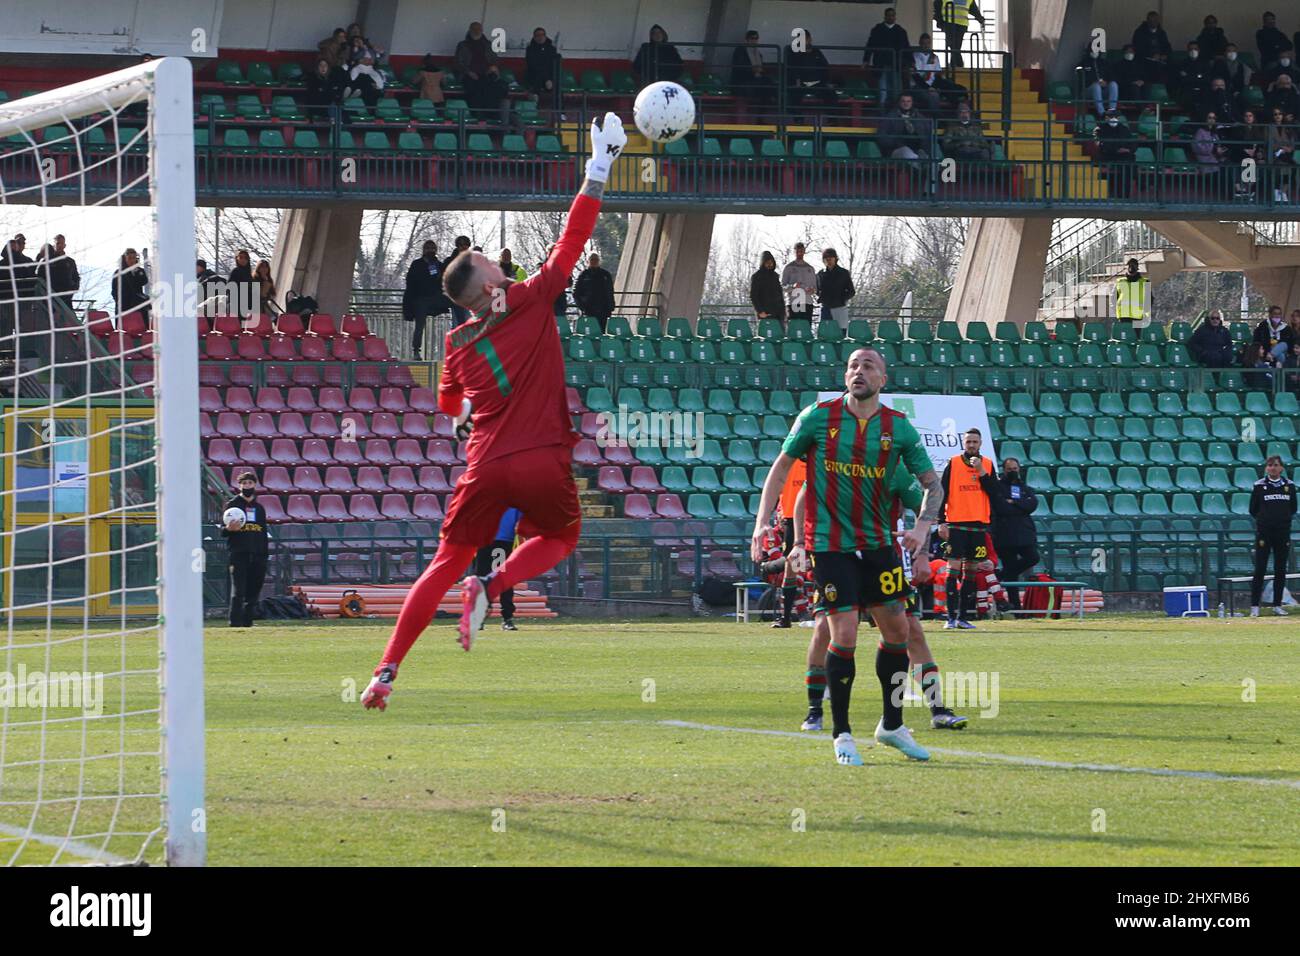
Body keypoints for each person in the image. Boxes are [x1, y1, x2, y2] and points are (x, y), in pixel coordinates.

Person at [360, 112, 628, 710]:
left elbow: (449, 402)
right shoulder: (529, 302)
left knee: (442, 563)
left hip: (484, 464)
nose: (503, 267)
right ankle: (493, 583)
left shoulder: (455, 344)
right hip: (540, 458)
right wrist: (599, 164)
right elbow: (572, 241)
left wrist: (459, 416)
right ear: (486, 287)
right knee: (561, 536)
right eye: (492, 265)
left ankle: (385, 672)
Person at [750, 348, 945, 764]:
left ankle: (892, 725)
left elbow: (932, 483)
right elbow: (782, 469)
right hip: (830, 546)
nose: (859, 371)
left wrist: (922, 528)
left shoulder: (899, 428)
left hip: (878, 546)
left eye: (869, 365)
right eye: (853, 365)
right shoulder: (817, 417)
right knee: (844, 634)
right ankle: (841, 734)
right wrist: (762, 522)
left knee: (898, 632)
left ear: (883, 379)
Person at [790, 464, 967, 733]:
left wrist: (921, 554)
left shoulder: (893, 470)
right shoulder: (833, 460)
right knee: (825, 630)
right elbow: (804, 496)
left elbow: (925, 507)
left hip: (881, 560)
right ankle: (815, 710)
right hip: (837, 556)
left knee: (911, 632)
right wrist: (799, 542)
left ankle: (938, 709)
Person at [938, 428, 998, 629]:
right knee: (952, 570)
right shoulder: (953, 463)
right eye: (968, 442)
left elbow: (994, 492)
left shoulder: (988, 464)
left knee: (971, 572)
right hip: (956, 523)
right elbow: (942, 492)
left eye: (975, 442)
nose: (971, 445)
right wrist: (941, 520)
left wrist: (981, 471)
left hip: (978, 526)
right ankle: (950, 618)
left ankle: (963, 617)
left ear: (980, 443)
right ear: (964, 444)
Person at [1249, 456, 1297, 616]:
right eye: (1270, 465)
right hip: (1264, 533)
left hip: (1282, 533)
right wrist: (1266, 521)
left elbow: (1292, 508)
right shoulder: (1259, 485)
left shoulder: (1289, 486)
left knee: (1280, 569)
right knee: (1260, 568)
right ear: (1266, 468)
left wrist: (1280, 521)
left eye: (1276, 465)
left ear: (1282, 468)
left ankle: (1277, 605)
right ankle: (1254, 607)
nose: (1273, 468)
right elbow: (1253, 509)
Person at [990, 457, 1038, 609]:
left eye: (1015, 469)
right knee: (1012, 574)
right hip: (1004, 535)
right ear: (1004, 470)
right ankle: (1016, 608)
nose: (1012, 471)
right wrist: (1019, 506)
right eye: (1009, 469)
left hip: (1024, 534)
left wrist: (1014, 502)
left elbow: (1032, 504)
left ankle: (1002, 574)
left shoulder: (1023, 487)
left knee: (1032, 557)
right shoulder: (997, 487)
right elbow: (1002, 507)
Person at [223, 472, 269, 628]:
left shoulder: (259, 508)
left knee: (254, 591)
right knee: (238, 591)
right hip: (239, 554)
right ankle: (235, 623)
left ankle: (248, 622)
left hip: (258, 555)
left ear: (255, 485)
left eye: (250, 483)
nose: (247, 486)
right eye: (244, 483)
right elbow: (223, 531)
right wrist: (229, 529)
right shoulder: (232, 505)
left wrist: (264, 554)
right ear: (239, 485)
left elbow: (262, 531)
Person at [770, 456, 807, 628]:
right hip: (792, 518)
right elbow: (776, 485)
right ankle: (787, 616)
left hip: (818, 517)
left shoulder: (822, 460)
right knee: (791, 565)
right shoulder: (787, 461)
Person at [474, 507, 521, 631]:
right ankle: (479, 617)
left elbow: (522, 523)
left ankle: (507, 618)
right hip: (484, 542)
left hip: (502, 543)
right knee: (482, 581)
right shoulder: (485, 499)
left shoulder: (514, 502)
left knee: (502, 580)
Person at [402, 240, 449, 359]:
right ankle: (416, 350)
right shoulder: (417, 264)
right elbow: (410, 282)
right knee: (419, 326)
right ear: (423, 250)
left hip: (435, 298)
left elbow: (444, 280)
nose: (431, 251)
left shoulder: (438, 265)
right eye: (428, 248)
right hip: (420, 299)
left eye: (433, 248)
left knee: (454, 304)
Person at [456, 22, 510, 122]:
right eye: (474, 29)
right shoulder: (462, 45)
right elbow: (458, 63)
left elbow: (495, 60)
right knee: (475, 89)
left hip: (487, 74)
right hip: (470, 75)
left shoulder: (488, 44)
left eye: (479, 29)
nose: (476, 31)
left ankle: (493, 115)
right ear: (470, 30)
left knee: (499, 86)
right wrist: (469, 72)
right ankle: (478, 116)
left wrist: (494, 67)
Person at [864, 7, 910, 107]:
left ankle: (897, 113)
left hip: (896, 65)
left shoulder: (901, 31)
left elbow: (906, 47)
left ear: (895, 17)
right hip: (881, 65)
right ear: (885, 16)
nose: (890, 17)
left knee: (897, 90)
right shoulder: (877, 29)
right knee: (883, 90)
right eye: (888, 15)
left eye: (892, 15)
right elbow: (870, 45)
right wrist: (866, 60)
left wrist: (911, 62)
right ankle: (883, 113)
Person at [786, 30, 838, 109]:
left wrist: (827, 81)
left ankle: (832, 120)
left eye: (807, 39)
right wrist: (797, 81)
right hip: (801, 84)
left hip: (817, 83)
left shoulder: (816, 52)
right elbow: (791, 69)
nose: (805, 41)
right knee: (794, 94)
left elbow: (825, 67)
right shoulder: (793, 52)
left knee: (831, 94)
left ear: (810, 39)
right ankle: (798, 120)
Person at [1095, 109, 1136, 197]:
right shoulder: (1099, 129)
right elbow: (1100, 144)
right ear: (1106, 118)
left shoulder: (1124, 129)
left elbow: (1133, 143)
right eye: (1111, 116)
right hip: (1107, 156)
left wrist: (1128, 150)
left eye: (1116, 117)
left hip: (1123, 156)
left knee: (1128, 166)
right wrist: (1116, 149)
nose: (1113, 118)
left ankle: (1125, 196)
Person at [933, 0, 985, 70]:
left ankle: (955, 65)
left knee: (955, 46)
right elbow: (937, 6)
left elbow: (973, 8)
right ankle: (957, 65)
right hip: (949, 23)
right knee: (954, 45)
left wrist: (979, 18)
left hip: (961, 24)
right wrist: (940, 22)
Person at [730, 30, 777, 107]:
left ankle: (769, 106)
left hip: (755, 79)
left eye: (756, 38)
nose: (754, 40)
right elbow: (739, 67)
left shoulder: (758, 53)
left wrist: (761, 71)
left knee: (768, 83)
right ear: (746, 40)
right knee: (766, 86)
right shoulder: (740, 50)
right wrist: (753, 70)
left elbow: (762, 68)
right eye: (752, 38)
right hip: (744, 80)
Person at [36, 234, 79, 314]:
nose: (59, 246)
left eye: (61, 243)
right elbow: (39, 277)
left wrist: (73, 288)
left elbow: (76, 278)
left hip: (66, 299)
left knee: (70, 321)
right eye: (57, 243)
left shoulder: (70, 261)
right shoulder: (46, 261)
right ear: (54, 245)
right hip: (49, 299)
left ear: (65, 245)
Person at [573, 252, 615, 332]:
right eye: (592, 259)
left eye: (596, 259)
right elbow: (576, 293)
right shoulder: (583, 275)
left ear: (599, 261)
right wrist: (582, 306)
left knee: (602, 332)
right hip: (589, 309)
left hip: (604, 309)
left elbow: (610, 291)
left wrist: (611, 306)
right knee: (589, 331)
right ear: (588, 261)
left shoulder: (606, 275)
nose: (594, 261)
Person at [816, 249, 854, 331]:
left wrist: (841, 299)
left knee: (841, 334)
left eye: (830, 258)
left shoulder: (844, 273)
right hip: (826, 308)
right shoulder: (820, 274)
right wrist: (822, 297)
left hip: (840, 308)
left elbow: (851, 291)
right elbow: (817, 290)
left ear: (835, 259)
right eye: (826, 259)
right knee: (824, 334)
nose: (828, 261)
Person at [525, 28, 562, 113]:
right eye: (537, 35)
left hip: (549, 79)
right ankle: (534, 100)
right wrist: (546, 79)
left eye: (542, 35)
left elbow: (553, 66)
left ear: (545, 36)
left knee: (558, 86)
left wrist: (549, 79)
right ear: (534, 37)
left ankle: (560, 112)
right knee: (538, 75)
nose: (540, 37)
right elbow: (532, 65)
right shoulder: (530, 49)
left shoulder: (551, 49)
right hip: (534, 77)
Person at [112, 248, 150, 326]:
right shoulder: (119, 272)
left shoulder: (139, 271)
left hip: (138, 304)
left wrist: (137, 272)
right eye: (130, 258)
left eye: (134, 258)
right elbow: (114, 290)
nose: (132, 261)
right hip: (124, 305)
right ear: (125, 259)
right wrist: (118, 301)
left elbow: (144, 281)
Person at [1079, 44, 1119, 117]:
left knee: (1113, 84)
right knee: (1096, 86)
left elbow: (1112, 76)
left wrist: (1106, 82)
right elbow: (1081, 79)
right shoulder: (1083, 63)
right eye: (1093, 50)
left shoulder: (1105, 63)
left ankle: (1112, 112)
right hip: (1088, 91)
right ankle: (1102, 114)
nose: (1095, 51)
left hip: (1103, 90)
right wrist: (1095, 81)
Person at [781, 243, 817, 322]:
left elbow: (815, 288)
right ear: (794, 252)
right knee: (794, 328)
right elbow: (783, 287)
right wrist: (793, 286)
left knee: (806, 327)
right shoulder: (788, 268)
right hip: (793, 302)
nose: (799, 253)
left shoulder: (810, 268)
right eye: (797, 251)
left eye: (801, 251)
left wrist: (812, 290)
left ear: (804, 252)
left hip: (807, 302)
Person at [749, 251, 785, 327]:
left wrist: (783, 311)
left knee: (780, 336)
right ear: (763, 263)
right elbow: (753, 296)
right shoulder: (756, 277)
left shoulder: (775, 276)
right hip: (765, 314)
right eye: (767, 262)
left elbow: (780, 294)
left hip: (778, 314)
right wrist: (760, 311)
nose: (769, 264)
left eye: (771, 262)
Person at [442, 236, 472, 327]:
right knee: (458, 323)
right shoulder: (450, 261)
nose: (463, 247)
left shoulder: (473, 260)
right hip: (456, 296)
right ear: (457, 246)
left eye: (465, 244)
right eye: (460, 245)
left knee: (468, 322)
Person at [1114, 257, 1147, 327]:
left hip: (1138, 316)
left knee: (1137, 337)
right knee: (1125, 337)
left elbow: (1149, 299)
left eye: (1133, 265)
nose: (1131, 268)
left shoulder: (1144, 282)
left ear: (1137, 267)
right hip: (1123, 317)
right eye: (1129, 265)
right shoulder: (1120, 281)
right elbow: (1114, 298)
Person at [226, 248, 254, 318]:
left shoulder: (248, 274)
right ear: (237, 259)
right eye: (241, 257)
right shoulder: (235, 271)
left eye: (245, 258)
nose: (243, 260)